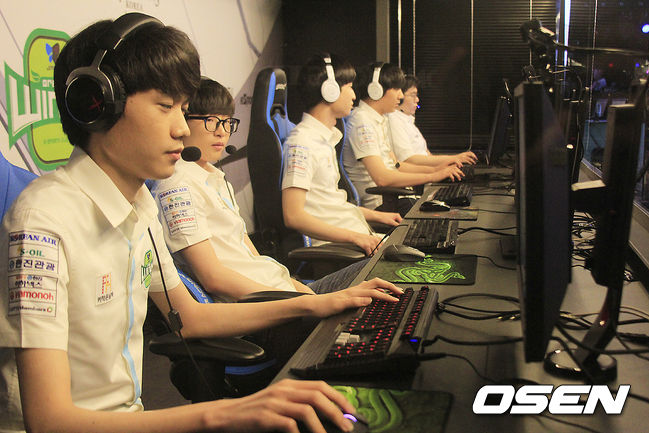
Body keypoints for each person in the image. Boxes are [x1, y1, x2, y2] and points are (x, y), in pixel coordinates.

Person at [0, 13, 400, 433]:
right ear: (96, 103)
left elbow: (190, 317)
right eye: (165, 106)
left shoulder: (139, 205)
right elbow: (49, 420)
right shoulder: (43, 219)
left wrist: (312, 303)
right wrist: (226, 412)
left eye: (183, 109)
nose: (180, 128)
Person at [151, 77, 373, 299]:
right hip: (267, 303)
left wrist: (297, 288)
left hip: (279, 289)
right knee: (377, 277)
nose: (222, 132)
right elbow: (213, 278)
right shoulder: (178, 187)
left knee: (378, 273)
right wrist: (302, 301)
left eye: (227, 122)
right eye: (211, 121)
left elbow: (252, 257)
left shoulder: (215, 177)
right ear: (183, 120)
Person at [281, 54, 402, 256]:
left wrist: (379, 216)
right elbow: (293, 216)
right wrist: (355, 237)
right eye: (349, 88)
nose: (354, 96)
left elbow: (330, 205)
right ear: (330, 90)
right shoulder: (302, 143)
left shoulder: (324, 140)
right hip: (340, 248)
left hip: (356, 238)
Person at [342, 62, 464, 212]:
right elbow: (382, 178)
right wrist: (433, 176)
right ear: (376, 90)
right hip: (381, 203)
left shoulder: (377, 119)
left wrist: (436, 170)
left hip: (396, 197)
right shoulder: (362, 123)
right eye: (396, 89)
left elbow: (397, 165)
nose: (400, 96)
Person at [387, 74, 477, 168]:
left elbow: (427, 155)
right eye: (413, 95)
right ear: (400, 97)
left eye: (417, 95)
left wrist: (449, 165)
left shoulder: (408, 121)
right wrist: (453, 158)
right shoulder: (394, 120)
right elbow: (408, 159)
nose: (417, 99)